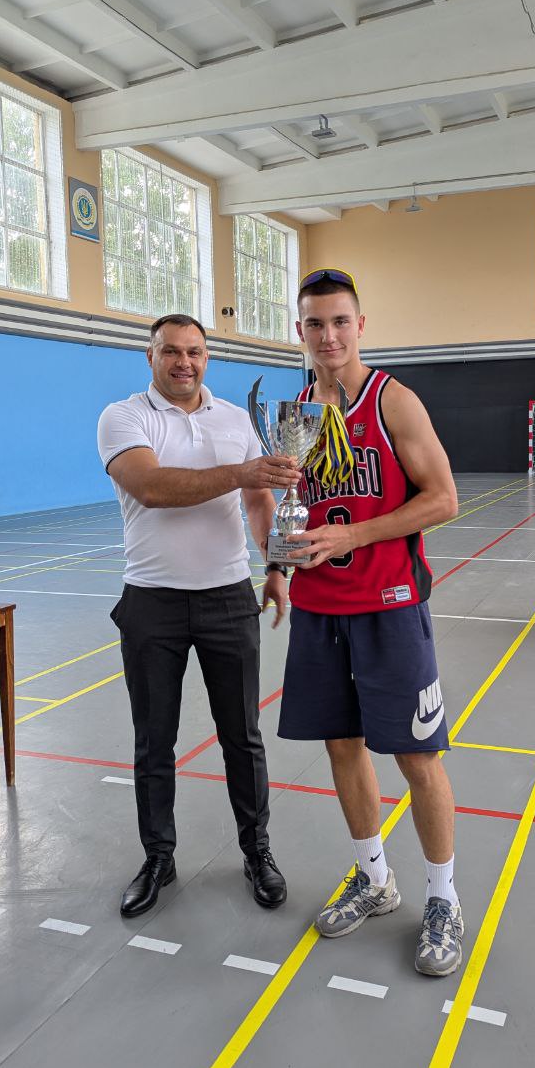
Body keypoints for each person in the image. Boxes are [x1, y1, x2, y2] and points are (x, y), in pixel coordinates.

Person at [277, 268, 462, 978]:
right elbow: (295, 506)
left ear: (360, 326)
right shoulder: (296, 412)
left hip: (390, 607)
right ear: (299, 331)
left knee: (418, 758)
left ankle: (443, 898)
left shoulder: (394, 402)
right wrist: (279, 555)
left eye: (339, 321)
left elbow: (443, 499)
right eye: (314, 323)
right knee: (342, 747)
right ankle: (374, 877)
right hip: (319, 609)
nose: (328, 335)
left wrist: (354, 535)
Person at [97, 313, 300, 917]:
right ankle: (158, 857)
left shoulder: (235, 420)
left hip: (227, 599)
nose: (184, 362)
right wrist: (242, 472)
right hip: (151, 601)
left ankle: (257, 852)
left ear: (207, 357)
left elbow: (259, 499)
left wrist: (276, 565)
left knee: (243, 736)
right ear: (151, 356)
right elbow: (152, 487)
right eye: (171, 352)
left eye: (195, 352)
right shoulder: (124, 417)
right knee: (154, 740)